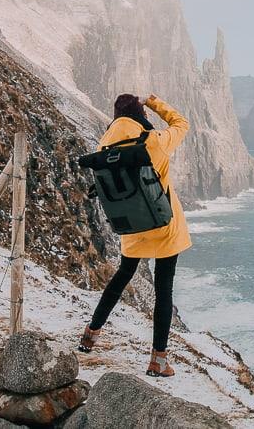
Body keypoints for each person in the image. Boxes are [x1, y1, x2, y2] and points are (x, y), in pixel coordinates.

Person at [79, 93, 191, 377]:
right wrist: (153, 101)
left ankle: (91, 334)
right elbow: (181, 123)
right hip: (163, 226)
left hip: (132, 226)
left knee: (121, 278)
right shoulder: (154, 142)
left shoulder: (104, 145)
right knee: (164, 290)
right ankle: (158, 361)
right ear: (139, 114)